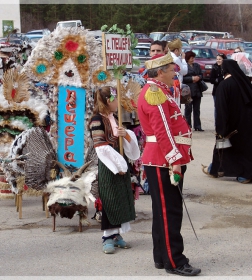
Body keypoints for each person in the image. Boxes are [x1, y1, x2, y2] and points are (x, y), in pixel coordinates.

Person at [137, 52, 201, 276]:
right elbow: (162, 131)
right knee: (169, 211)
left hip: (161, 158)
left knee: (162, 210)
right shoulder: (154, 92)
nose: (175, 72)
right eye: (172, 69)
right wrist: (174, 161)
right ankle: (175, 261)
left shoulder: (159, 90)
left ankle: (162, 256)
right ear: (161, 71)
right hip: (163, 160)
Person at [88, 86, 140, 254]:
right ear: (107, 101)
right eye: (115, 100)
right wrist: (118, 166)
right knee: (109, 199)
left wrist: (125, 134)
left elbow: (123, 141)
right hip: (109, 164)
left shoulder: (113, 117)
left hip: (120, 162)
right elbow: (101, 147)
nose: (118, 103)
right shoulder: (97, 120)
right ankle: (107, 237)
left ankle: (117, 235)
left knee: (121, 198)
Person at [203, 59, 252, 183]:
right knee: (244, 149)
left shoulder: (225, 85)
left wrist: (221, 127)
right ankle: (217, 169)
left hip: (231, 124)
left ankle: (216, 170)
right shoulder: (244, 82)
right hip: (246, 122)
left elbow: (221, 108)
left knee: (222, 146)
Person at [183, 51, 204, 131]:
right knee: (188, 109)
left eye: (193, 58)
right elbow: (183, 78)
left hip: (197, 90)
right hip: (188, 90)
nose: (192, 59)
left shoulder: (197, 66)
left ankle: (197, 126)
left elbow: (201, 75)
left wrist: (198, 77)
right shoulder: (185, 66)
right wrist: (192, 78)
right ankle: (187, 125)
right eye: (191, 58)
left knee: (197, 109)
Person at [168, 39, 188, 106]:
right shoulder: (175, 59)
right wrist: (183, 59)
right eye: (180, 49)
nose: (181, 51)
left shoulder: (168, 56)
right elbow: (184, 71)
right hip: (175, 84)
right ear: (176, 50)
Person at [209, 53, 227, 126]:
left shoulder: (226, 68)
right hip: (217, 90)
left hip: (225, 91)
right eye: (217, 59)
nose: (218, 61)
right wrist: (220, 79)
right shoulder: (215, 68)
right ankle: (217, 124)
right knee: (217, 108)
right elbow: (211, 80)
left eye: (220, 59)